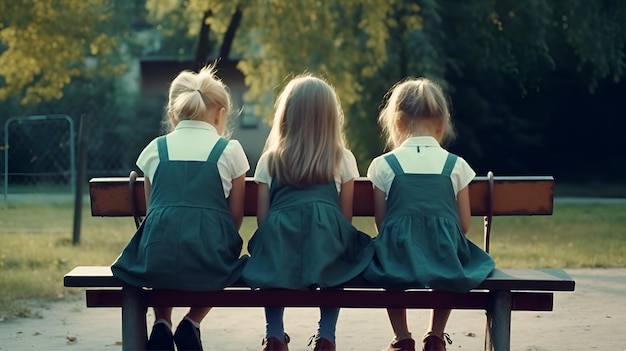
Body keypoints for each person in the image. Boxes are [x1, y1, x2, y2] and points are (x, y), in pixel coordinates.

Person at [111, 65, 249, 351]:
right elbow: (235, 218)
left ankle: (162, 322)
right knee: (228, 260)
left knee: (166, 242)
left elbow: (155, 212)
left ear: (174, 114)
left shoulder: (155, 149)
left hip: (158, 253)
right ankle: (192, 321)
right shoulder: (230, 151)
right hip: (209, 256)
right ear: (221, 114)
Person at [242, 75, 374, 351]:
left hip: (280, 241)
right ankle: (326, 335)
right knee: (340, 258)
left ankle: (275, 334)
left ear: (287, 114)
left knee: (270, 256)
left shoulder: (270, 159)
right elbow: (345, 218)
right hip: (327, 241)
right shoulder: (343, 158)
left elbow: (262, 218)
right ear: (330, 117)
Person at [362, 78, 495, 351]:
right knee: (448, 259)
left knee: (388, 261)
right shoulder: (456, 165)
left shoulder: (382, 166)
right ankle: (435, 335)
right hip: (445, 253)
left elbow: (382, 224)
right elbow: (464, 225)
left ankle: (402, 338)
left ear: (397, 123)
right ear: (440, 123)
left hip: (399, 255)